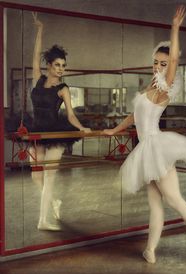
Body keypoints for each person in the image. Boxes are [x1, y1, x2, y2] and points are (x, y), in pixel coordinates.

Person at [104, 5, 186, 265]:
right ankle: (150, 249)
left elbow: (175, 62)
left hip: (156, 148)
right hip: (146, 151)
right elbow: (133, 115)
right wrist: (114, 130)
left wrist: (175, 29)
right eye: (156, 62)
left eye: (164, 63)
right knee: (156, 205)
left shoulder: (164, 87)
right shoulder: (149, 87)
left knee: (175, 200)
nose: (158, 66)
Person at [30, 12, 91, 231]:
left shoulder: (63, 88)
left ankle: (43, 220)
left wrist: (81, 127)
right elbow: (36, 55)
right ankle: (54, 201)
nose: (61, 69)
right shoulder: (38, 77)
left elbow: (71, 115)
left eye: (63, 66)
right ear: (49, 65)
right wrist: (40, 29)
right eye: (57, 65)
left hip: (55, 133)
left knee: (48, 175)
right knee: (36, 177)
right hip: (37, 131)